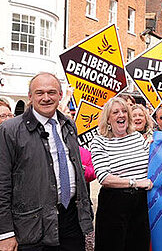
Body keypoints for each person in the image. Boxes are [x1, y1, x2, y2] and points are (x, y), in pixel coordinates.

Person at [0, 72, 93, 250]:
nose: (46, 98)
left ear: (60, 95)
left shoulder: (68, 124)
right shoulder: (9, 130)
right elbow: (2, 183)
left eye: (51, 92)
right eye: (39, 93)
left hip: (71, 222)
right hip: (32, 227)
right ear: (30, 96)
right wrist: (5, 233)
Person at [91, 97, 153, 251]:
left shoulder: (138, 138)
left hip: (140, 205)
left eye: (125, 111)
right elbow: (104, 178)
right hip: (114, 206)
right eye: (116, 112)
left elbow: (156, 161)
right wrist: (136, 183)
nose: (121, 115)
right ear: (108, 119)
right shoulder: (99, 141)